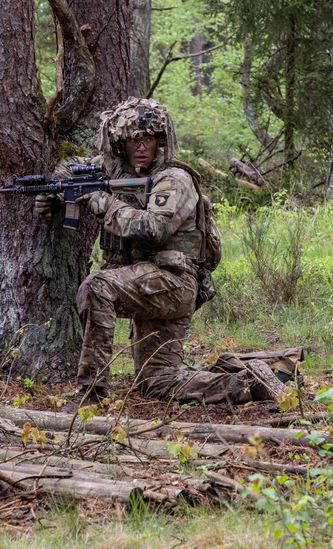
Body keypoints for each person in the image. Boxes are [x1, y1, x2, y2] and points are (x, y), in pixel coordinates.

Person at [35, 97, 289, 408]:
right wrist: (57, 194)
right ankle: (258, 382)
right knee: (156, 383)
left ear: (160, 141)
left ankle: (92, 393)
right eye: (133, 140)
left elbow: (154, 228)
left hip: (172, 284)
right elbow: (70, 168)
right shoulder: (115, 170)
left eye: (149, 140)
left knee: (96, 287)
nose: (141, 147)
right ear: (120, 144)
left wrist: (102, 202)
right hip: (145, 284)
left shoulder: (174, 179)